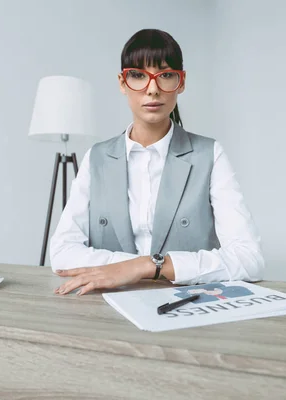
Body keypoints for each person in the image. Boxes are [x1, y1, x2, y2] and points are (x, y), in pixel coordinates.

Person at [50, 28, 264, 296]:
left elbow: (250, 259)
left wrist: (148, 266)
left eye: (165, 76)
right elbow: (61, 253)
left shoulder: (209, 154)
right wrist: (130, 267)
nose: (152, 89)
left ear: (181, 82)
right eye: (138, 75)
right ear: (122, 82)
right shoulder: (97, 157)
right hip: (109, 306)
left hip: (187, 308)